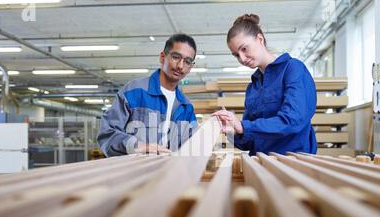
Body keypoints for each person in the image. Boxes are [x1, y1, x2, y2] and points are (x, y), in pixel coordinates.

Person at [213, 13, 317, 155]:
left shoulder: (293, 69)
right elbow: (249, 141)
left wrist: (243, 126)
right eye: (236, 55)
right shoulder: (253, 87)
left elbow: (293, 120)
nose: (242, 58)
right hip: (261, 164)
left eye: (244, 49)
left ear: (260, 39)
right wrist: (234, 132)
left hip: (294, 162)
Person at [98, 34, 198, 156]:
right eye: (176, 57)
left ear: (191, 67)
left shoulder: (186, 106)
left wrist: (218, 125)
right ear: (162, 57)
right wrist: (138, 146)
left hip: (170, 173)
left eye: (187, 62)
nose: (180, 66)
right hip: (134, 172)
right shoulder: (134, 92)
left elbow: (194, 145)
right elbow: (107, 134)